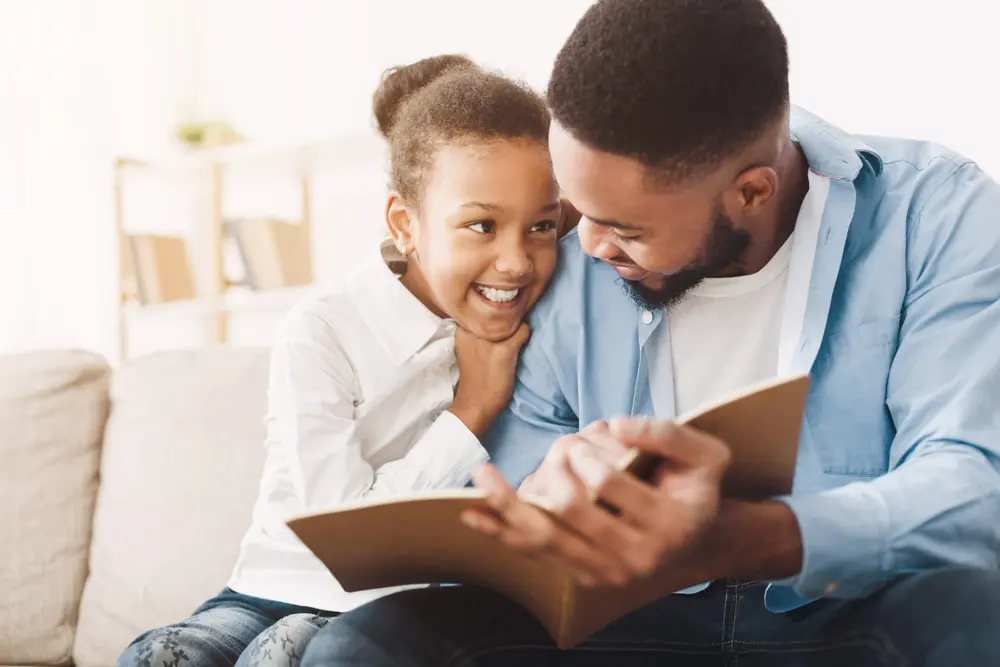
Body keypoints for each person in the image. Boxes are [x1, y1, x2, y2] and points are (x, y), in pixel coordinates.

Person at [299, 1, 1000, 665]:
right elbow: (522, 450)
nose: (587, 247)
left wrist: (741, 539)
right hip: (626, 619)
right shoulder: (568, 254)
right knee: (367, 647)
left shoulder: (933, 216)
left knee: (979, 613)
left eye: (624, 228)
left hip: (843, 610)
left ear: (751, 191)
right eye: (573, 211)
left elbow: (974, 485)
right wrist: (553, 489)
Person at [117, 54, 565, 667]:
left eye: (541, 225)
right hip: (265, 591)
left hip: (378, 622)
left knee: (294, 651)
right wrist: (469, 412)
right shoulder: (322, 330)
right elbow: (345, 535)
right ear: (406, 224)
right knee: (163, 655)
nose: (516, 261)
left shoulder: (540, 322)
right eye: (482, 225)